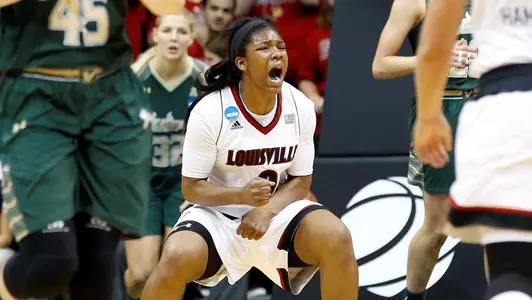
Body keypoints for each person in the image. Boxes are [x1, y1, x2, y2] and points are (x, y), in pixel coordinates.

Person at [141, 17, 359, 300]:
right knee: (175, 256)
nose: (277, 53)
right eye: (265, 48)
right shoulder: (210, 111)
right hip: (217, 215)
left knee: (337, 237)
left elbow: (301, 180)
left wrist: (266, 210)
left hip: (275, 212)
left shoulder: (300, 106)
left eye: (280, 46)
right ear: (241, 62)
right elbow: (191, 188)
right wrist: (241, 195)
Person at [0, 0, 182, 299]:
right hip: (36, 93)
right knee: (51, 263)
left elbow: (170, 5)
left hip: (110, 96)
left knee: (95, 270)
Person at [415, 0, 532, 299]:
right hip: (504, 98)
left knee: (512, 274)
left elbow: (435, 44)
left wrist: (428, 117)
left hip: (508, 106)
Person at [372, 0, 478, 299]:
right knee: (438, 227)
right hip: (443, 109)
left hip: (491, 106)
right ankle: (413, 297)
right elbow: (380, 65)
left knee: (501, 227)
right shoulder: (413, 2)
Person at [123, 12, 206, 299]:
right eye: (167, 30)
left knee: (175, 270)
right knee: (140, 275)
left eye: (181, 31)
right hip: (142, 182)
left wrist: (205, 183)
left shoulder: (205, 79)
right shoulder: (134, 76)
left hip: (182, 184)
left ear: (191, 38)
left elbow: (224, 135)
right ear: (154, 34)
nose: (174, 37)